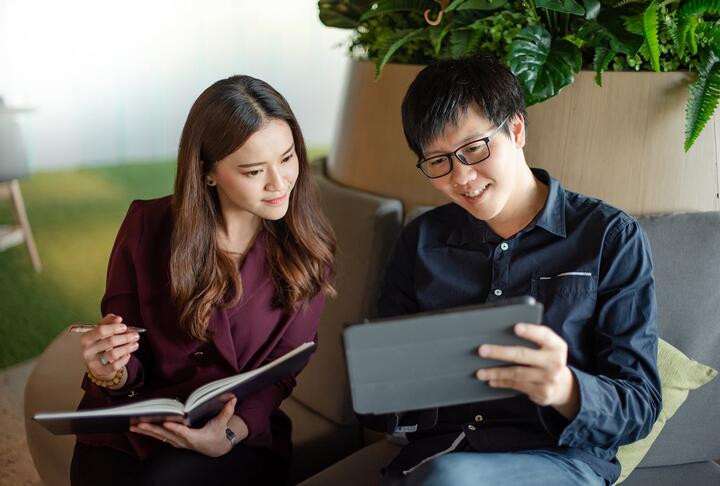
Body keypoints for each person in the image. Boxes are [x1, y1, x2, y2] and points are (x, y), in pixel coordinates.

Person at [362, 55, 661, 486]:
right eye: (438, 161)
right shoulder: (421, 240)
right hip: (436, 457)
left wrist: (564, 389)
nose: (462, 177)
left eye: (475, 149)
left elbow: (639, 405)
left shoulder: (610, 237)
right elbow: (378, 406)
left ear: (516, 129)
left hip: (560, 460)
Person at [70, 75, 336, 486]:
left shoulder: (309, 251)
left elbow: (282, 372)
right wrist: (110, 368)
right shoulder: (146, 227)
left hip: (238, 433)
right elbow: (123, 353)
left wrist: (228, 434)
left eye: (287, 158)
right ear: (207, 172)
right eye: (253, 171)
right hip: (134, 425)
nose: (279, 183)